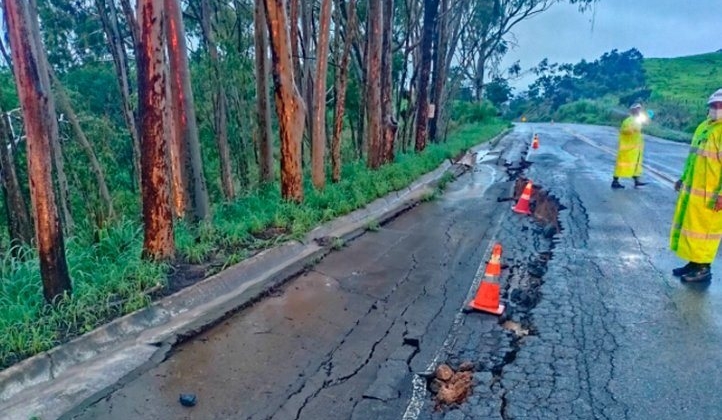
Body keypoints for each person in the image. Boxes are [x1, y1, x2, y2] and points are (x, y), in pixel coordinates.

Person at [670, 88, 722, 282]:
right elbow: (693, 158)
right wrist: (683, 178)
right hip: (695, 191)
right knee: (692, 229)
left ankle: (703, 267)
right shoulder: (704, 127)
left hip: (712, 195)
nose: (717, 109)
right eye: (714, 105)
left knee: (706, 233)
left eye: (721, 105)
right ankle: (694, 262)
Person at [611, 103, 649, 189]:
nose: (639, 111)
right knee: (622, 165)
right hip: (627, 149)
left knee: (636, 165)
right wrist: (632, 130)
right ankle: (615, 181)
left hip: (636, 148)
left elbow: (644, 125)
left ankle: (637, 181)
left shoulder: (637, 120)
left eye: (640, 109)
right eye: (637, 109)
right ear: (633, 111)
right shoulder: (628, 120)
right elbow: (624, 130)